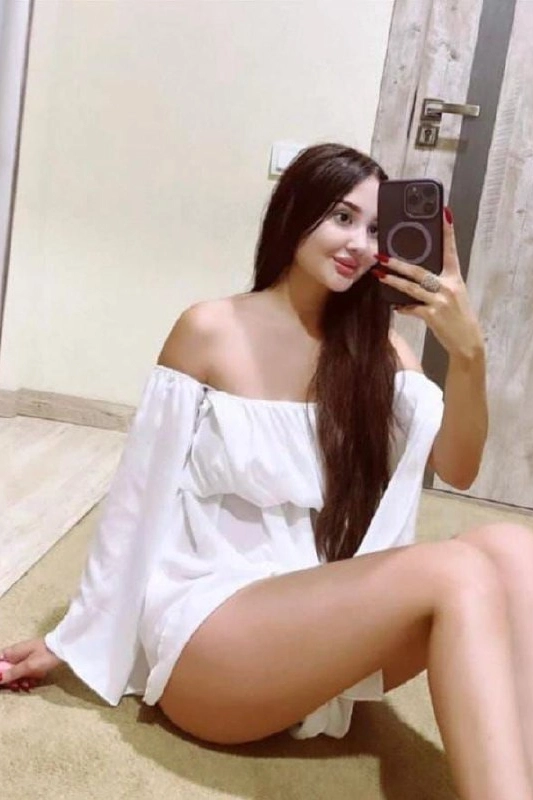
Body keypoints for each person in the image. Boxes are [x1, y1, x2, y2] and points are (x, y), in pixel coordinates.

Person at [2, 142, 533, 799]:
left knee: (511, 548)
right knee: (452, 570)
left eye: (376, 229)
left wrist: (469, 354)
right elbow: (138, 496)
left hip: (316, 635)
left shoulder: (378, 351)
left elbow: (457, 467)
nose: (358, 243)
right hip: (213, 636)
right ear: (293, 212)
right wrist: (74, 636)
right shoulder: (211, 329)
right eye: (341, 216)